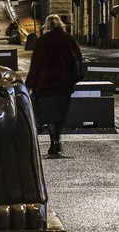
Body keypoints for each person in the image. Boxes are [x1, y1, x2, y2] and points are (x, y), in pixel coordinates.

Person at [26, 14, 83, 156]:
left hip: (46, 83)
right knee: (61, 112)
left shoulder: (41, 41)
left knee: (50, 114)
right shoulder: (69, 40)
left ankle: (53, 141)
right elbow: (78, 60)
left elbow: (36, 64)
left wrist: (30, 82)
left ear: (47, 26)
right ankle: (57, 138)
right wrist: (75, 78)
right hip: (64, 83)